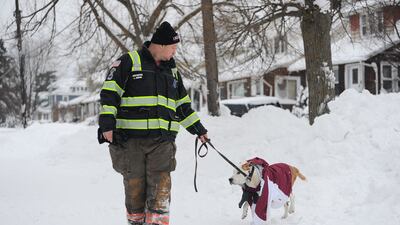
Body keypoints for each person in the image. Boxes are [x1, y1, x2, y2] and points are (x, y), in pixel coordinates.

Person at [98, 21, 208, 225]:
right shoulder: (129, 61)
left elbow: (182, 106)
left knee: (161, 192)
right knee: (135, 191)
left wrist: (199, 130)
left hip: (162, 144)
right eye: (173, 47)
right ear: (162, 45)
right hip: (131, 142)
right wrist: (107, 125)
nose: (175, 52)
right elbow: (110, 94)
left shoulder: (173, 73)